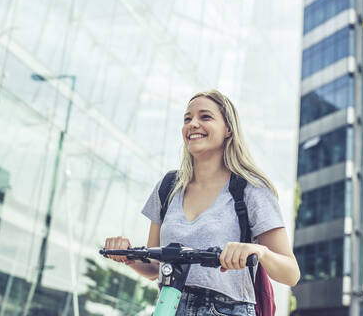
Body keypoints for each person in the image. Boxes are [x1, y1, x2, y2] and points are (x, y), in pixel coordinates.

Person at [104, 90, 300, 316]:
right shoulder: (168, 187)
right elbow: (155, 267)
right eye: (187, 119)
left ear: (228, 129)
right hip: (169, 305)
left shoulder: (251, 190)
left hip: (228, 309)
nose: (193, 124)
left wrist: (259, 251)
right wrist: (128, 255)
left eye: (205, 117)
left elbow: (291, 273)